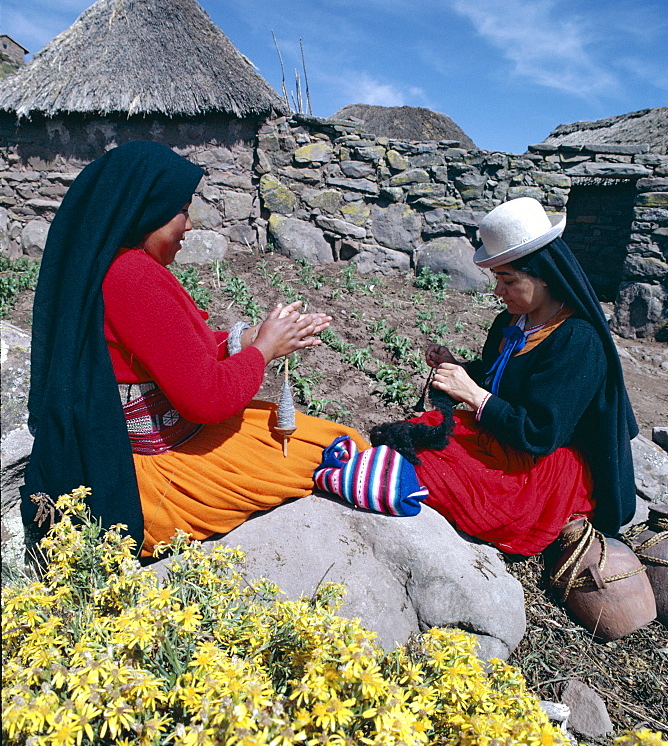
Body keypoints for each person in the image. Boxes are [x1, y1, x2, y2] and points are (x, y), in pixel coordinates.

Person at [22, 141, 367, 555]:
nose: (189, 225)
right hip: (153, 470)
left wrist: (253, 337)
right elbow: (207, 399)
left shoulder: (117, 265)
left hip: (173, 438)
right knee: (329, 454)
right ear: (145, 212)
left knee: (328, 437)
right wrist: (264, 351)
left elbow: (178, 351)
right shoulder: (130, 277)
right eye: (182, 210)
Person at [409, 197, 638, 557]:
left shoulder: (578, 342)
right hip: (505, 441)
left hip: (545, 465)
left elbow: (540, 433)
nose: (498, 292)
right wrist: (459, 369)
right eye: (497, 279)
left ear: (544, 276)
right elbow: (498, 382)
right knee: (415, 438)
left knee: (433, 472)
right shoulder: (510, 323)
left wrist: (472, 395)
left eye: (508, 280)